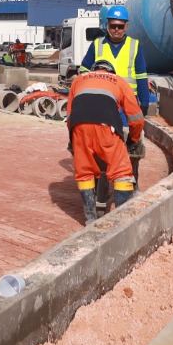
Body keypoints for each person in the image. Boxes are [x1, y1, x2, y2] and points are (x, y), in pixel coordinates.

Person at [65, 58, 144, 223]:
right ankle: (121, 220)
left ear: (95, 70)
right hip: (106, 127)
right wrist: (134, 139)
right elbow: (136, 118)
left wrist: (74, 139)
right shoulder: (119, 81)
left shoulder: (79, 80)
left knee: (85, 172)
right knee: (121, 172)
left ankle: (90, 219)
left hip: (79, 127)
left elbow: (70, 115)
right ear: (111, 72)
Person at [80, 5, 151, 113]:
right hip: (102, 100)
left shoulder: (135, 45)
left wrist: (145, 103)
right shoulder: (97, 44)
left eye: (120, 26)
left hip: (127, 101)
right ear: (107, 25)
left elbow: (141, 76)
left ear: (126, 27)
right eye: (113, 26)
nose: (116, 29)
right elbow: (84, 72)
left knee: (126, 130)